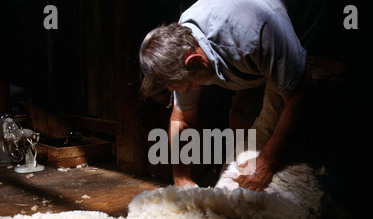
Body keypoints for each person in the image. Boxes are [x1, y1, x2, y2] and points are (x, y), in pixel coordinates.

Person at [139, 0, 331, 192]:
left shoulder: (257, 33)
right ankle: (235, 171)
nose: (194, 89)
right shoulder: (180, 46)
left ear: (195, 60)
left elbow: (300, 95)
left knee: (305, 91)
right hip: (246, 47)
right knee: (240, 113)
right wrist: (182, 179)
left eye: (192, 84)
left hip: (302, 22)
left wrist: (266, 162)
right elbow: (182, 120)